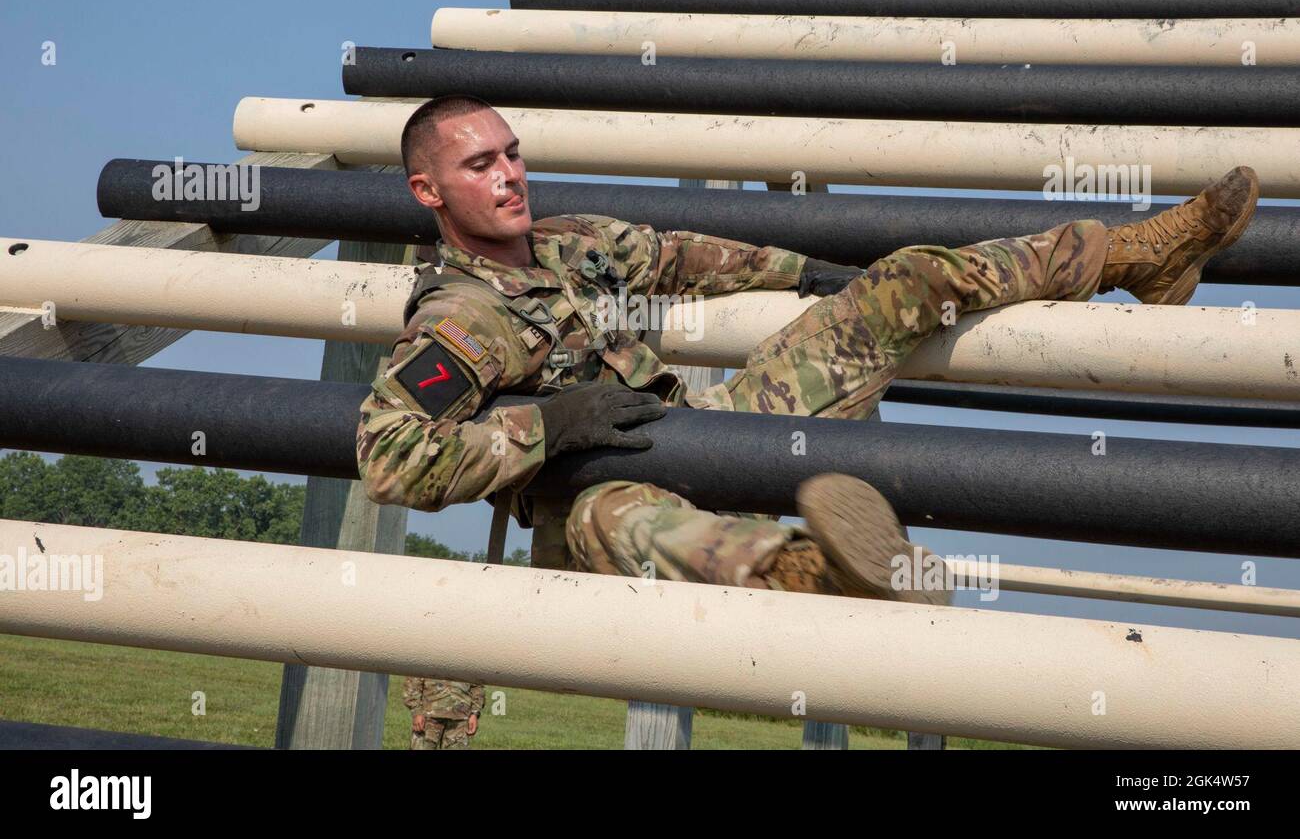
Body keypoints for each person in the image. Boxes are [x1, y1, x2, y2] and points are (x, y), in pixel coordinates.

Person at [357, 94, 1259, 602]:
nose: (509, 175)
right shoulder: (461, 320)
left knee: (902, 280)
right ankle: (824, 571)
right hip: (595, 502)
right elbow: (389, 459)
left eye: (512, 154)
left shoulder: (571, 241)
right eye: (480, 167)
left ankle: (1138, 254)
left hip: (707, 431)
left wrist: (810, 274)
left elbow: (682, 257)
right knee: (628, 525)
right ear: (427, 191)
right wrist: (549, 427)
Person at [402, 675, 484, 750]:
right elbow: (414, 679)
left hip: (460, 719)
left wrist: (474, 713)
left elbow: (477, 686)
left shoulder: (467, 659)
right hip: (429, 715)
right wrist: (417, 711)